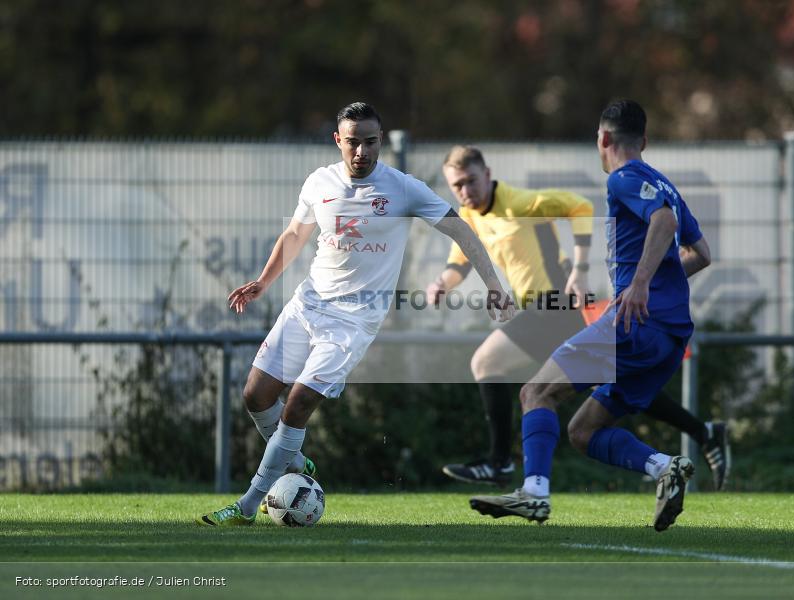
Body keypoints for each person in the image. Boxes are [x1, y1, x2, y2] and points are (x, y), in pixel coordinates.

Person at [197, 102, 514, 526]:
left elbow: (460, 229)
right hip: (307, 304)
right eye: (353, 142)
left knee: (299, 402)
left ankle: (249, 504)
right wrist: (263, 281)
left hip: (353, 321)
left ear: (380, 141)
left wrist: (494, 286)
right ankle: (294, 460)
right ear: (338, 141)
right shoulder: (319, 182)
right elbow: (294, 234)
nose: (362, 151)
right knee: (256, 395)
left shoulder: (403, 188)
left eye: (370, 142)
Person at [470, 100, 711, 531]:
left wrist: (639, 285)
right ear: (645, 140)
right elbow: (701, 254)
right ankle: (663, 467)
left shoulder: (623, 177)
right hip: (670, 339)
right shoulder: (665, 184)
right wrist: (654, 283)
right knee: (583, 431)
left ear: (603, 139)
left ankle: (534, 493)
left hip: (632, 326)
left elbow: (663, 223)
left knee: (535, 392)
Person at [430, 146, 729, 490]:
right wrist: (442, 284)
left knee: (487, 362)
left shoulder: (521, 203)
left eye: (470, 181)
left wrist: (581, 269)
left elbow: (580, 206)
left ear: (487, 174)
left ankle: (500, 464)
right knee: (612, 381)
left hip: (555, 303)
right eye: (457, 186)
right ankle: (702, 432)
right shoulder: (468, 217)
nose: (465, 191)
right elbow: (459, 262)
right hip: (540, 311)